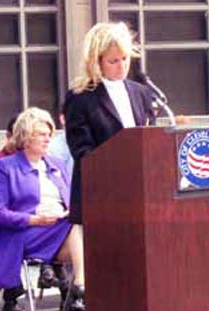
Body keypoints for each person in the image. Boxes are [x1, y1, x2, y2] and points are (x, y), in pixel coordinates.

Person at [0, 107, 85, 311]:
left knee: (91, 227)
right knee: (76, 223)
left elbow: (73, 200)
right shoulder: (4, 167)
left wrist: (66, 211)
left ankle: (83, 284)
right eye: (42, 134)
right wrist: (35, 219)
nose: (48, 139)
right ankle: (80, 285)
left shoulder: (57, 164)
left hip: (61, 229)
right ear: (25, 136)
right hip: (24, 234)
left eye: (50, 134)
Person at [64, 21, 155, 225]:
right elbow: (82, 150)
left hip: (141, 190)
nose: (122, 66)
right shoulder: (80, 97)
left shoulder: (141, 92)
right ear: (96, 62)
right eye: (113, 61)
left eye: (125, 59)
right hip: (101, 195)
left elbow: (151, 137)